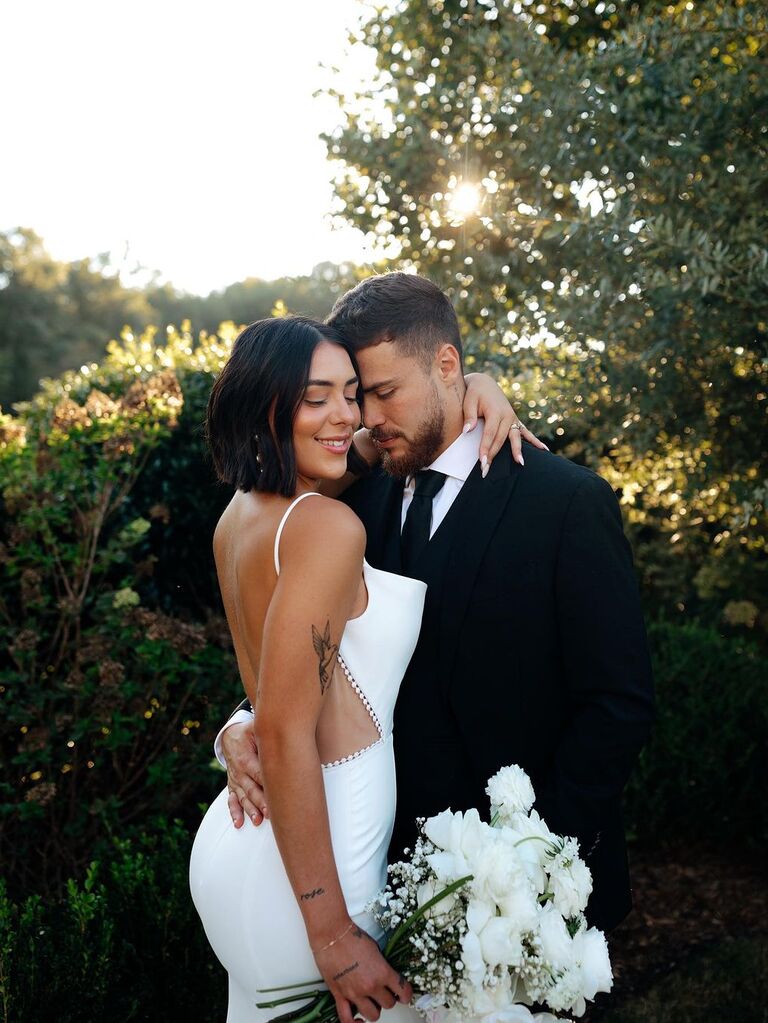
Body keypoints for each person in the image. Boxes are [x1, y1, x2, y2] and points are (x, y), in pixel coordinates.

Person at [219, 273, 656, 937]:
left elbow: (618, 703)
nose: (366, 418)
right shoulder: (347, 497)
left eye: (385, 393)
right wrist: (243, 721)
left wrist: (527, 864)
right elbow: (312, 653)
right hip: (382, 882)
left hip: (524, 896)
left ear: (449, 365)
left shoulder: (565, 503)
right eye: (360, 396)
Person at [189, 313, 531, 1023]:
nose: (348, 415)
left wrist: (474, 386)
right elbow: (285, 731)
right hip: (319, 858)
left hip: (245, 843)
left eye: (353, 392)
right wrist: (334, 933)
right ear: (266, 406)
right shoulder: (325, 527)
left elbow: (269, 687)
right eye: (318, 398)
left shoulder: (244, 513)